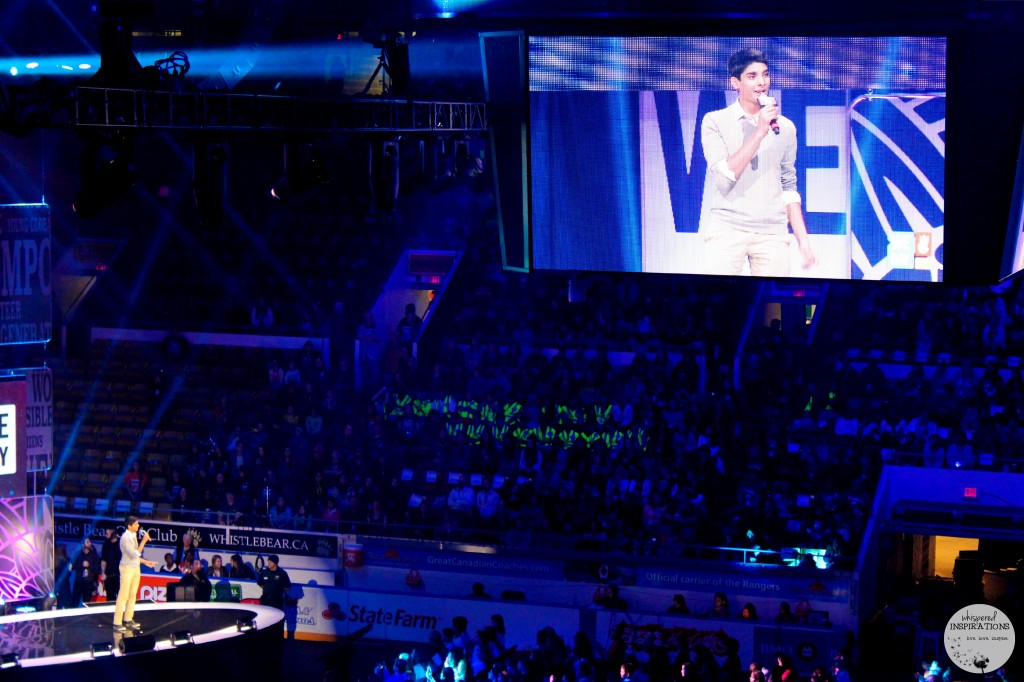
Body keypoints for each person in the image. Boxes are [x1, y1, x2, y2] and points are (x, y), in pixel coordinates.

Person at [700, 47, 816, 277]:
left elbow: (788, 187)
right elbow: (726, 177)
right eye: (752, 76)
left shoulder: (785, 128)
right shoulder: (714, 121)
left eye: (765, 75)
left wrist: (803, 241)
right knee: (716, 301)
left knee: (770, 304)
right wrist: (760, 131)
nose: (761, 82)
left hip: (772, 233)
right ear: (736, 82)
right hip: (727, 229)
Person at [113, 515, 158, 632]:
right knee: (123, 595)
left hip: (135, 567)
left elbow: (135, 557)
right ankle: (117, 622)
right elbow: (134, 554)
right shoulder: (125, 538)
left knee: (133, 594)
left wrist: (146, 562)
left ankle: (128, 618)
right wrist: (144, 541)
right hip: (126, 568)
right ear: (129, 526)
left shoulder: (133, 535)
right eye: (136, 524)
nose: (138, 526)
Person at [72, 538, 101, 606]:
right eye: (87, 542)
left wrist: (89, 565)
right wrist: (81, 565)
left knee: (87, 603)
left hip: (88, 581)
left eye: (90, 542)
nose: (90, 543)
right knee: (74, 602)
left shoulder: (93, 555)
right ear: (83, 544)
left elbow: (97, 567)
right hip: (79, 581)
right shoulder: (78, 554)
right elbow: (72, 566)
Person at [100, 526, 122, 602]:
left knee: (121, 598)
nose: (106, 535)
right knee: (109, 599)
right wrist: (103, 573)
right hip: (108, 576)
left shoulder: (121, 543)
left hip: (119, 576)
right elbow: (103, 560)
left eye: (107, 533)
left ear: (113, 533)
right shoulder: (106, 545)